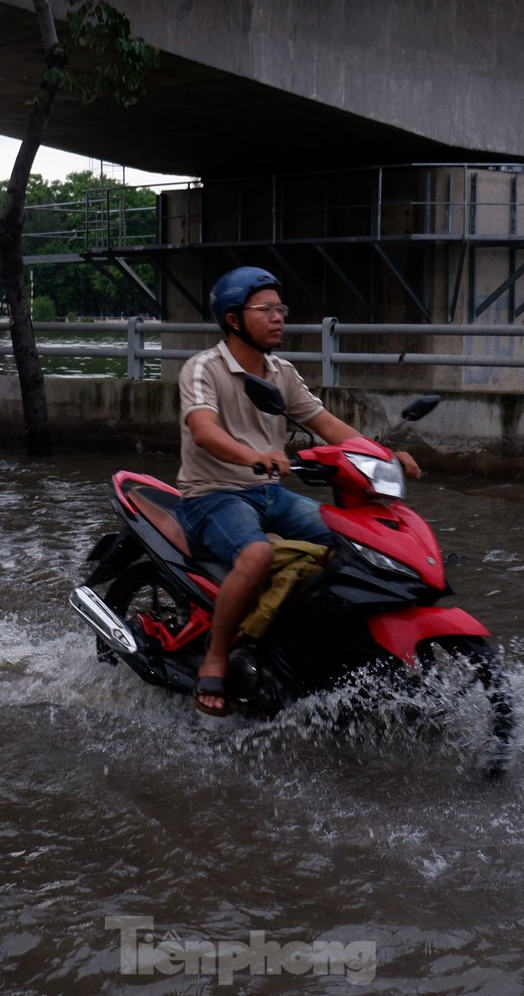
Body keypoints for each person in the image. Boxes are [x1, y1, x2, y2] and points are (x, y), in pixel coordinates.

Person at [177, 266, 421, 717]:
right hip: (212, 495)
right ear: (233, 319)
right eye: (265, 309)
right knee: (256, 556)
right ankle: (215, 657)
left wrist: (383, 454)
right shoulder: (203, 369)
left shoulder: (280, 372)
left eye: (280, 309)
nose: (278, 318)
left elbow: (326, 426)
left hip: (270, 494)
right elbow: (204, 430)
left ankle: (319, 645)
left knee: (357, 543)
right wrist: (252, 456)